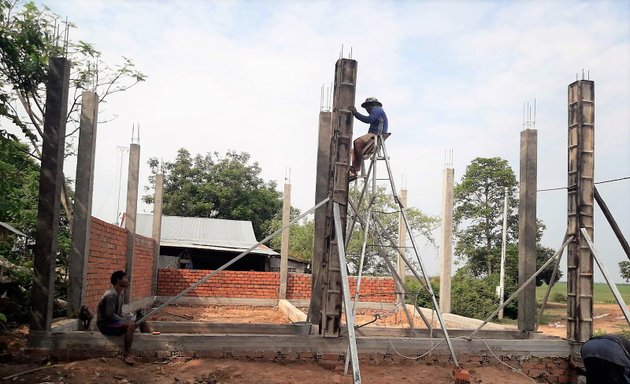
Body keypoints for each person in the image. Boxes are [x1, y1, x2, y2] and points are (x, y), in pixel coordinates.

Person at [97, 270, 140, 364]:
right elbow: (109, 314)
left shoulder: (119, 295)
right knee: (131, 325)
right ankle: (127, 354)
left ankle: (150, 336)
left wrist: (129, 318)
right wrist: (126, 321)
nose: (128, 280)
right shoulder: (111, 295)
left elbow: (119, 313)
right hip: (105, 325)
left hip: (113, 323)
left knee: (140, 319)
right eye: (125, 278)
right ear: (118, 280)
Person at [348, 97, 388, 181]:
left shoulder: (377, 109)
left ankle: (356, 168)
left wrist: (355, 113)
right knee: (353, 150)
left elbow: (368, 119)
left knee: (357, 142)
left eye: (367, 107)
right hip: (373, 134)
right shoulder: (377, 112)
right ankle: (354, 172)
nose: (366, 109)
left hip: (377, 134)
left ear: (372, 105)